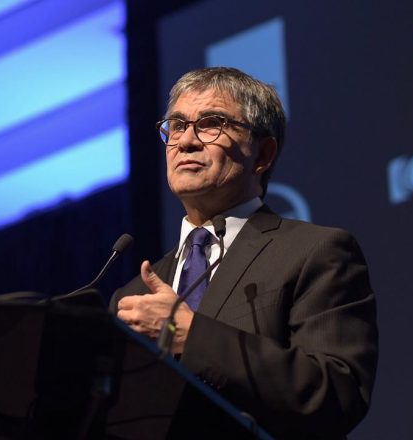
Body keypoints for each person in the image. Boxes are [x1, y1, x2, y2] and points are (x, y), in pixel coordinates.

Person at [111, 67, 377, 438]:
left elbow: (336, 393)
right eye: (177, 125)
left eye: (210, 124)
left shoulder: (315, 253)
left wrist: (192, 336)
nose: (186, 141)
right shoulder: (133, 298)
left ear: (262, 154)